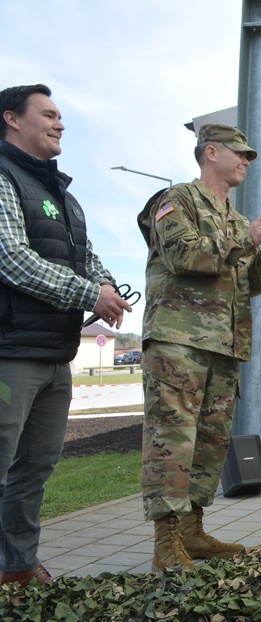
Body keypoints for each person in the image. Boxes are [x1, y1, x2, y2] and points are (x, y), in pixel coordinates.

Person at [139, 123, 261, 571]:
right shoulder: (176, 201)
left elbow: (244, 282)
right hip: (178, 341)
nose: (247, 161)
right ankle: (166, 543)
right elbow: (184, 256)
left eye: (249, 156)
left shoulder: (232, 214)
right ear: (211, 152)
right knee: (172, 440)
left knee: (209, 441)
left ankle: (192, 531)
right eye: (239, 153)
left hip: (223, 346)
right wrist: (245, 238)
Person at [0, 84, 132, 586]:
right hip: (9, 350)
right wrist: (86, 295)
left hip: (55, 353)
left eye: (61, 116)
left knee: (33, 470)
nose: (60, 124)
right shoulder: (3, 177)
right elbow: (11, 257)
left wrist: (104, 286)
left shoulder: (65, 195)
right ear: (12, 119)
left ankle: (19, 569)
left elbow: (89, 256)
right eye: (49, 115)